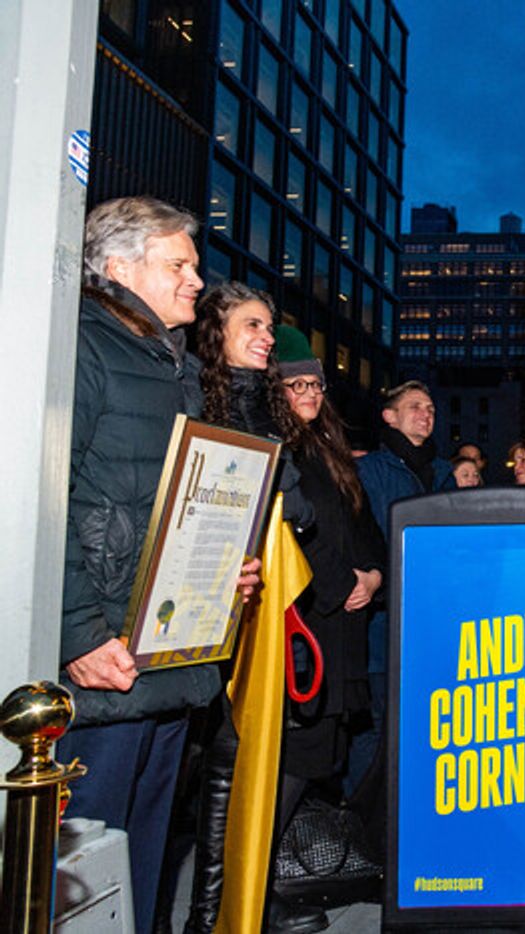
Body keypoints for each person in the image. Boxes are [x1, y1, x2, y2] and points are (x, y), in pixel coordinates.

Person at [58, 196, 259, 934]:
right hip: (106, 661)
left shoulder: (175, 365)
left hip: (167, 657)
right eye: (178, 265)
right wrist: (77, 633)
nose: (196, 281)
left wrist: (225, 566)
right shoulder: (82, 347)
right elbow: (43, 496)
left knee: (142, 860)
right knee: (83, 867)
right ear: (118, 267)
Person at [184, 283, 322, 934]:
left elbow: (300, 508)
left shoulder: (269, 412)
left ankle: (220, 912)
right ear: (217, 333)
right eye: (253, 325)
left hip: (256, 611)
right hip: (196, 604)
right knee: (204, 765)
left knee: (233, 760)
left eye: (269, 327)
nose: (267, 337)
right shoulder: (191, 395)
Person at [275, 324, 384, 866]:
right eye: (297, 385)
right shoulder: (281, 450)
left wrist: (374, 577)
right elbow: (296, 534)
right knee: (300, 755)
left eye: (315, 385)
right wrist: (343, 585)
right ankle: (257, 878)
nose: (311, 394)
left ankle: (280, 869)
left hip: (346, 629)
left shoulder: (330, 449)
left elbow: (366, 528)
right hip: (309, 625)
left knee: (326, 754)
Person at [351, 381, 454, 793]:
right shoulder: (369, 472)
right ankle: (362, 812)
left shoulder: (443, 473)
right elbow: (365, 540)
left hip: (433, 623)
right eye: (415, 407)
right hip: (382, 622)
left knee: (424, 723)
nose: (426, 414)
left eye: (431, 408)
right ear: (389, 417)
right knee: (375, 723)